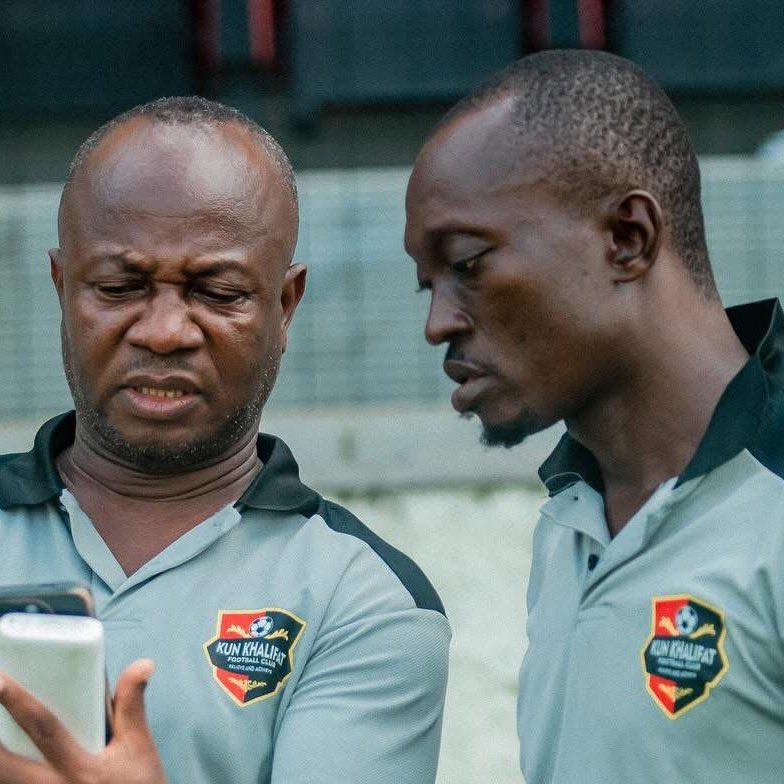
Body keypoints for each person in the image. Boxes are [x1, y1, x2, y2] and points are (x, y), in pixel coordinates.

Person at [0, 96, 450, 784]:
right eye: (121, 286)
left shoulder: (359, 600)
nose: (164, 331)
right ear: (63, 287)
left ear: (285, 304)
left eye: (217, 292)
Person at [404, 49, 784, 782]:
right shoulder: (569, 529)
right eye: (427, 283)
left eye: (468, 264)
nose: (437, 323)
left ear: (627, 238)